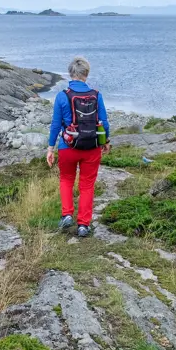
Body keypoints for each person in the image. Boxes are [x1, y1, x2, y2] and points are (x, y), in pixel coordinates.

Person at [46, 56, 111, 237]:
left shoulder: (62, 96)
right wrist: (106, 142)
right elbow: (104, 123)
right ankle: (83, 225)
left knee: (66, 180)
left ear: (70, 73)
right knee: (87, 185)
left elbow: (55, 124)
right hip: (91, 148)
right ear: (86, 74)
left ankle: (67, 215)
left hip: (68, 147)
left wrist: (50, 148)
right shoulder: (96, 95)